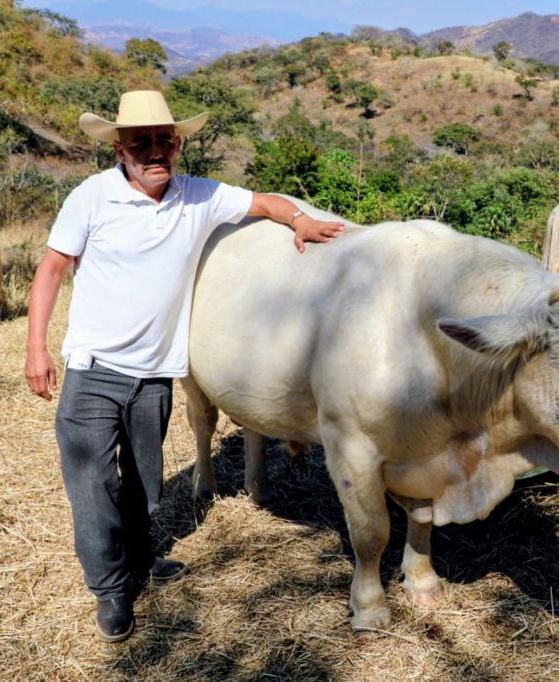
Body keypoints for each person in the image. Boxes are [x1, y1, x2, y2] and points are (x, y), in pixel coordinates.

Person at [24, 90, 344, 643]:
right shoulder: (91, 198)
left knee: (144, 484)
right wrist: (36, 348)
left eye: (164, 142)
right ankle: (110, 588)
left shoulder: (199, 196)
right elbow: (52, 269)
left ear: (177, 146)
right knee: (92, 485)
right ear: (119, 148)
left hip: (154, 374)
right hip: (95, 369)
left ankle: (145, 563)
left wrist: (301, 221)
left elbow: (265, 202)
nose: (154, 153)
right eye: (140, 143)